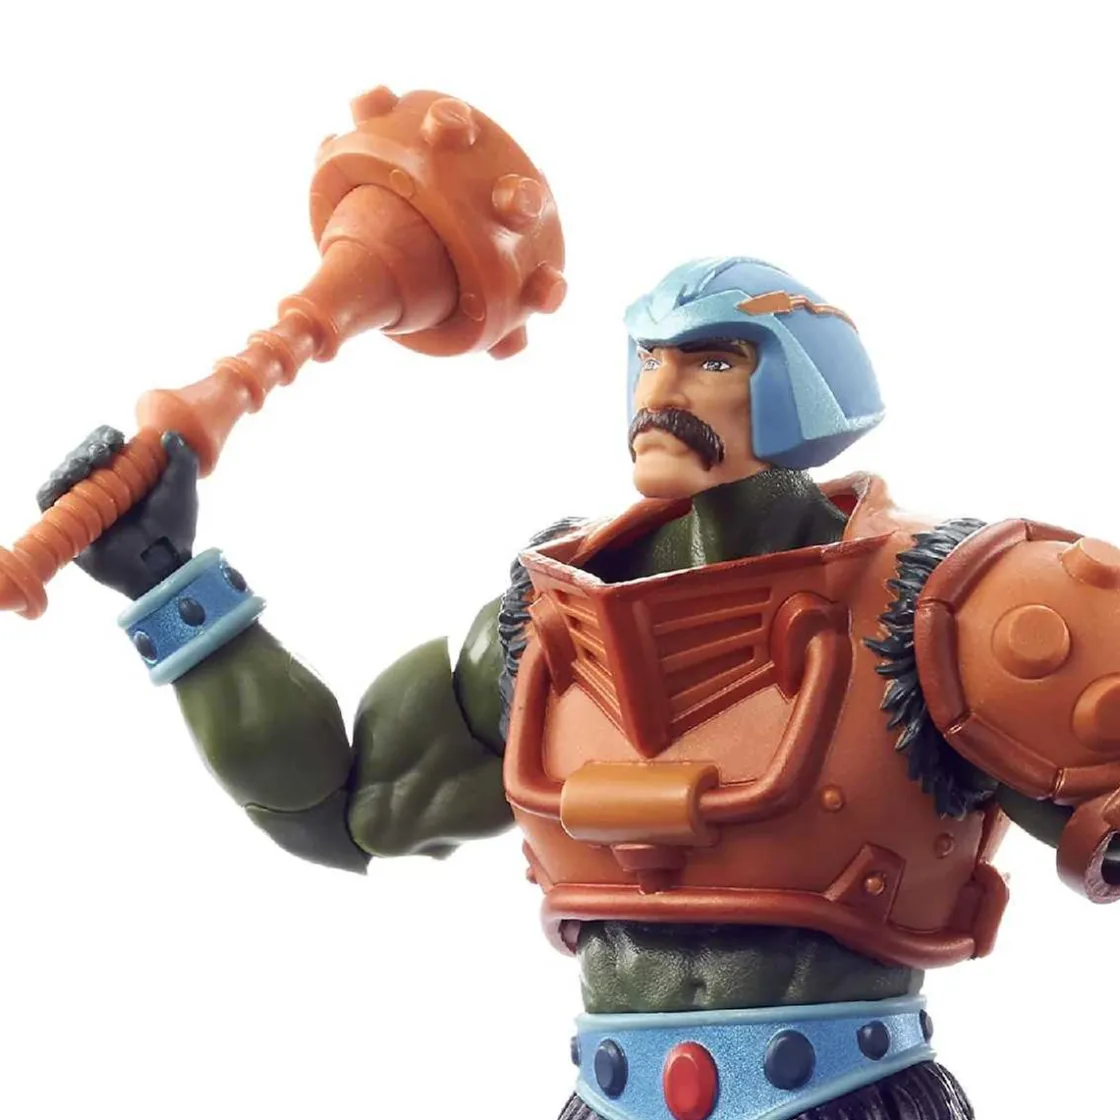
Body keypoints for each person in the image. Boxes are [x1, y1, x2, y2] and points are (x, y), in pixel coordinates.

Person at [41, 256, 1120, 1120]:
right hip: (608, 1099)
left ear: (804, 381)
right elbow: (346, 808)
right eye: (648, 359)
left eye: (711, 360)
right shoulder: (547, 624)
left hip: (845, 1096)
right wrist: (167, 584)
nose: (660, 393)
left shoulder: (945, 604)